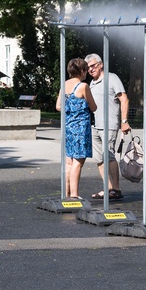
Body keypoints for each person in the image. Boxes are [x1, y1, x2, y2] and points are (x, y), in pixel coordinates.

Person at [84, 53, 131, 201]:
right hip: (95, 125)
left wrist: (124, 121)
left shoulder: (112, 78)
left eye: (93, 66)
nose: (91, 70)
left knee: (109, 156)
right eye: (88, 68)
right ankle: (108, 188)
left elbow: (124, 98)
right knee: (99, 159)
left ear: (101, 64)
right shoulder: (91, 83)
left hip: (109, 124)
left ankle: (115, 189)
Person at [55, 58, 97, 199]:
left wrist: (70, 110)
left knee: (69, 161)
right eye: (85, 70)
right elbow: (94, 107)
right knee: (78, 162)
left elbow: (58, 106)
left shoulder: (64, 85)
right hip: (80, 128)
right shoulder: (83, 86)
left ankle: (66, 193)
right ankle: (74, 194)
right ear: (82, 71)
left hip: (68, 127)